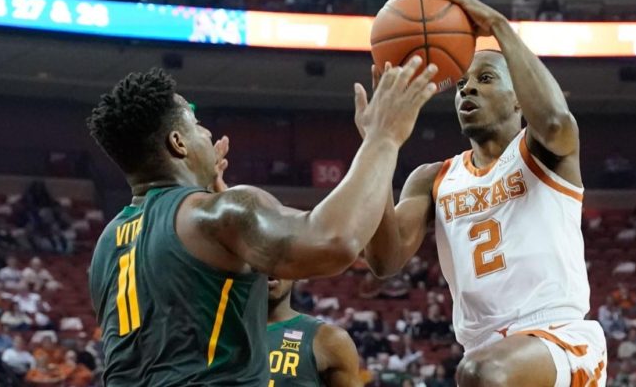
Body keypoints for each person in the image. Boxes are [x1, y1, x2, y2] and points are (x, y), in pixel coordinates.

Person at [87, 59, 438, 385]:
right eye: (196, 125)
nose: (207, 133)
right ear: (178, 143)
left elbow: (180, 333)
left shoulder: (107, 245)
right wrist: (383, 138)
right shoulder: (216, 214)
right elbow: (334, 241)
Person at [363, 0, 607, 385]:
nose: (468, 90)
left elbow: (557, 120)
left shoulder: (542, 152)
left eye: (485, 79)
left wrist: (498, 26)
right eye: (461, 85)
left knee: (481, 373)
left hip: (559, 339)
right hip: (483, 354)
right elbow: (383, 260)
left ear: (518, 100)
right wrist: (379, 146)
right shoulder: (432, 178)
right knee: (479, 370)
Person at [267, 277, 361, 386]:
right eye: (262, 263)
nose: (270, 273)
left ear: (296, 273)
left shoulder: (330, 338)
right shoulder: (242, 333)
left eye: (279, 263)